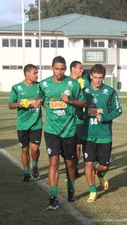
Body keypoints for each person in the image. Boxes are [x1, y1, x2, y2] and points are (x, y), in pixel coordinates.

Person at [38, 56, 86, 210]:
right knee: (53, 163)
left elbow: (83, 102)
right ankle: (53, 197)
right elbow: (42, 99)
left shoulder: (72, 84)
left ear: (65, 69)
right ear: (52, 68)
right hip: (51, 130)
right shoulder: (44, 84)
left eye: (62, 69)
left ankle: (71, 189)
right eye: (56, 68)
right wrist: (50, 111)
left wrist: (70, 101)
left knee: (70, 163)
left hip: (69, 130)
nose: (59, 72)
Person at [81, 64, 122, 203]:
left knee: (104, 165)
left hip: (104, 135)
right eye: (95, 77)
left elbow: (118, 110)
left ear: (104, 77)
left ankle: (101, 174)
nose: (97, 80)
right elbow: (77, 110)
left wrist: (104, 117)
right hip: (87, 134)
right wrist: (85, 113)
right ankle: (93, 191)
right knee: (88, 164)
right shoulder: (83, 91)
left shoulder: (110, 92)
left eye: (100, 78)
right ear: (91, 76)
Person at [8, 64, 42, 182]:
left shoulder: (40, 86)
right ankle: (26, 172)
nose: (37, 75)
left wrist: (40, 101)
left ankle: (35, 166)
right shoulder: (17, 88)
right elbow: (10, 104)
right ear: (27, 73)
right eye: (34, 73)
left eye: (37, 73)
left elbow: (44, 99)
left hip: (36, 123)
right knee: (24, 149)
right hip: (22, 124)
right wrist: (19, 104)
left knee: (35, 148)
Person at [69, 60, 87, 178]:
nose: (82, 70)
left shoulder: (83, 81)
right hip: (67, 119)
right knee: (68, 146)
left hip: (80, 118)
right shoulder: (66, 82)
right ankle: (70, 166)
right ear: (72, 69)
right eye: (80, 68)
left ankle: (74, 168)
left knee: (77, 146)